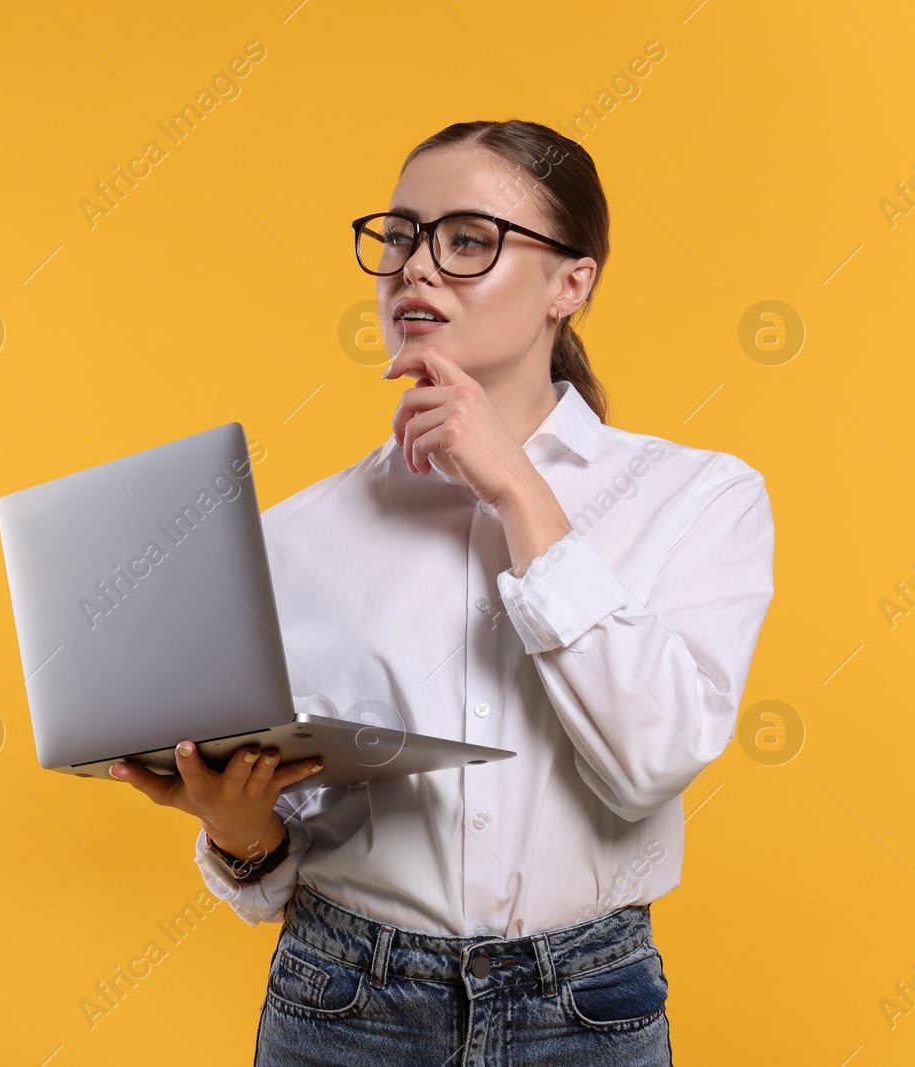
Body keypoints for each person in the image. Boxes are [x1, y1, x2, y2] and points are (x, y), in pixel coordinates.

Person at [109, 118, 775, 1065]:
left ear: (570, 284)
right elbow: (285, 843)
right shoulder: (296, 535)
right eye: (404, 235)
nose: (416, 267)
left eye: (468, 239)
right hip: (346, 1003)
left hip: (583, 1011)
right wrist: (240, 829)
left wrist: (517, 491)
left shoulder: (698, 498)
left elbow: (653, 758)